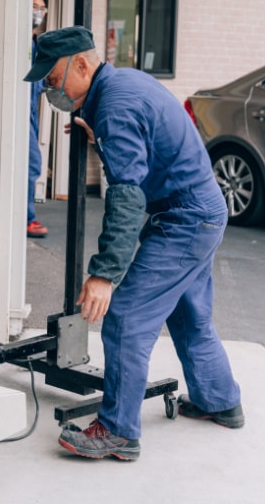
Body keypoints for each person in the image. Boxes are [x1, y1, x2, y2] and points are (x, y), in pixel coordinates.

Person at [23, 26, 243, 461]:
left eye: (52, 80)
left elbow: (126, 195)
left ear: (81, 65)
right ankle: (220, 401)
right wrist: (102, 136)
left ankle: (118, 431)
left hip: (184, 217)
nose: (51, 92)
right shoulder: (122, 85)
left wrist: (105, 274)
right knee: (189, 316)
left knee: (124, 317)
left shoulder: (115, 108)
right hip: (203, 210)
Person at [27, 0, 49, 238]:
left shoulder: (39, 44)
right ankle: (27, 218)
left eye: (41, 9)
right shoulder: (21, 42)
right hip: (20, 113)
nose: (37, 12)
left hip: (32, 113)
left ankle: (25, 215)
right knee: (32, 164)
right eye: (33, 6)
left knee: (32, 164)